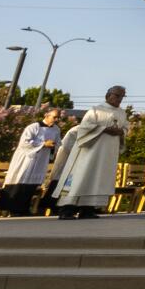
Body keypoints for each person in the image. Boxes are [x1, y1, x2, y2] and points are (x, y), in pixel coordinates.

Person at [52, 86, 130, 220]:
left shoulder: (122, 113)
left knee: (98, 179)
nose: (119, 99)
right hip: (89, 152)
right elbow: (84, 128)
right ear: (108, 95)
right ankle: (67, 210)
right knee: (80, 178)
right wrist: (104, 129)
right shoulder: (95, 110)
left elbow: (126, 128)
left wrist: (121, 132)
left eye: (122, 96)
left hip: (107, 154)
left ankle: (88, 209)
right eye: (117, 95)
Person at [2, 108, 62, 216]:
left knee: (32, 185)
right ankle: (14, 210)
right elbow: (24, 142)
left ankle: (24, 208)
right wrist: (43, 144)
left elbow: (58, 143)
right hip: (26, 159)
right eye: (54, 117)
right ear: (47, 115)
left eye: (58, 118)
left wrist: (53, 146)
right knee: (20, 183)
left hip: (41, 160)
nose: (56, 120)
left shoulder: (56, 130)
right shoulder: (34, 127)